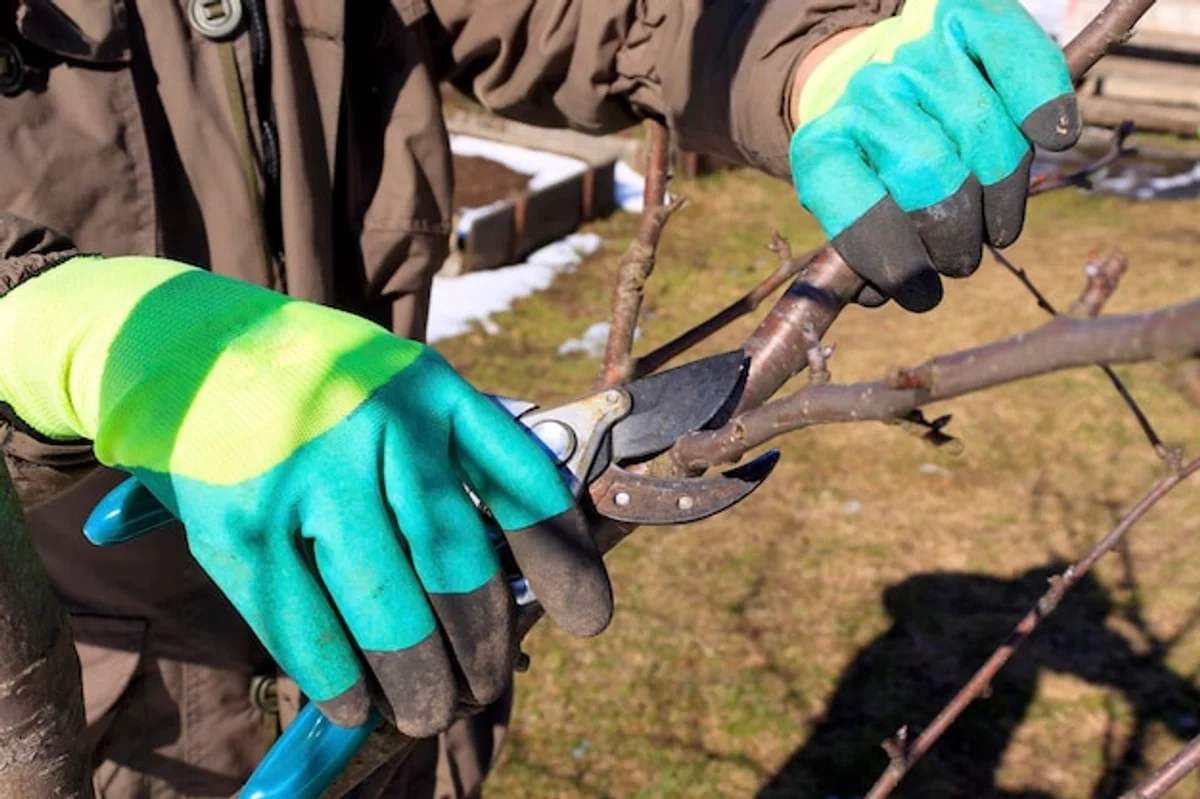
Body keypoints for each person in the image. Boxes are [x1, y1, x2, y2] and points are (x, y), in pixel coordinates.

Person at [0, 0, 1081, 796]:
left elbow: (600, 14)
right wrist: (76, 336)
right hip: (96, 723)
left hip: (412, 666)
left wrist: (812, 52)